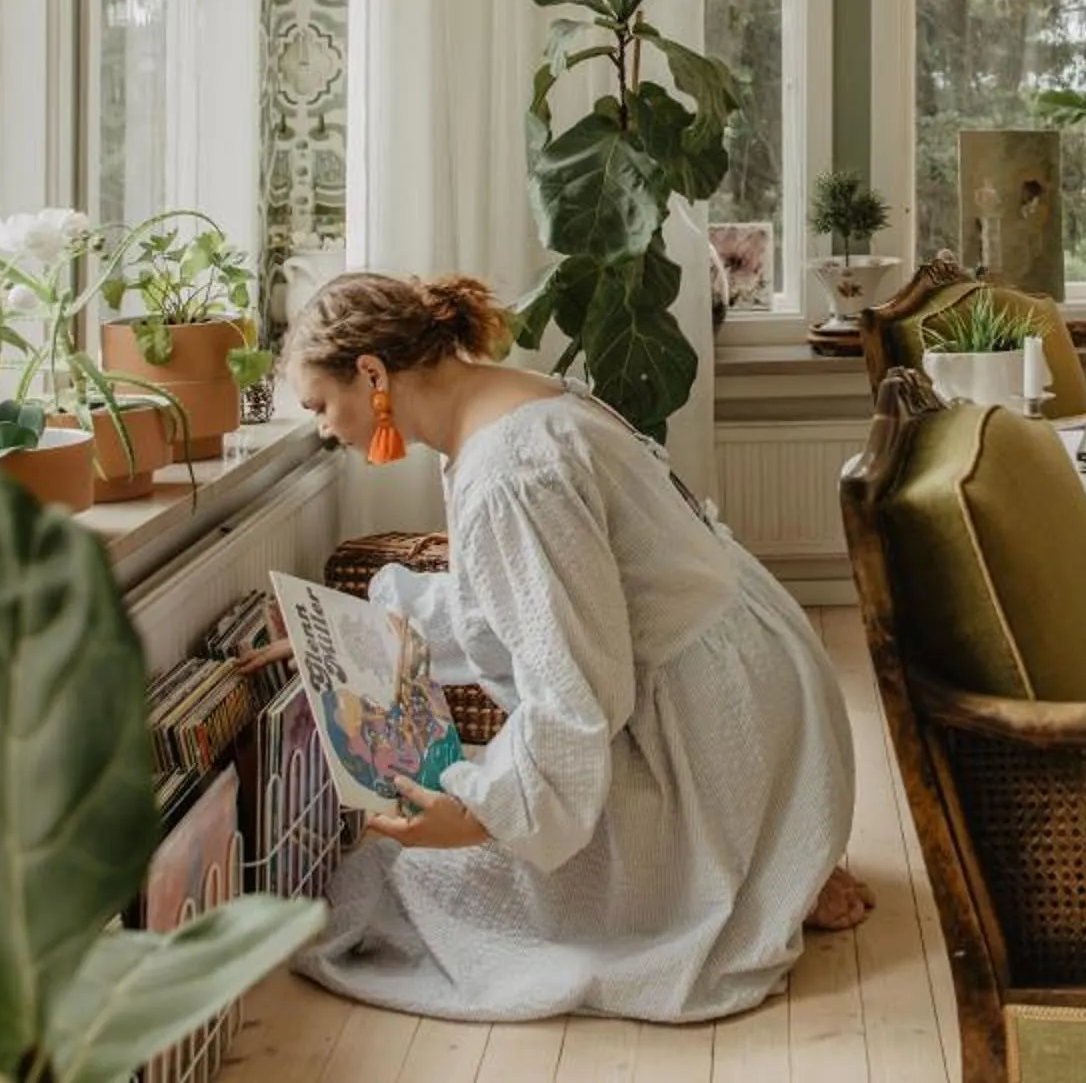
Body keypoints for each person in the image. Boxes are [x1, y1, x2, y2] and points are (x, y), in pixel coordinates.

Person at [285, 271, 870, 1022]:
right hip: (745, 667)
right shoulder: (509, 403)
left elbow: (575, 689)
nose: (324, 429)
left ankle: (763, 863)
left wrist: (484, 813)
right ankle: (774, 862)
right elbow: (502, 603)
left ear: (372, 374)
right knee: (429, 868)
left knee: (404, 893)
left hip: (719, 722)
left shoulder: (509, 470)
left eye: (320, 406)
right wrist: (347, 633)